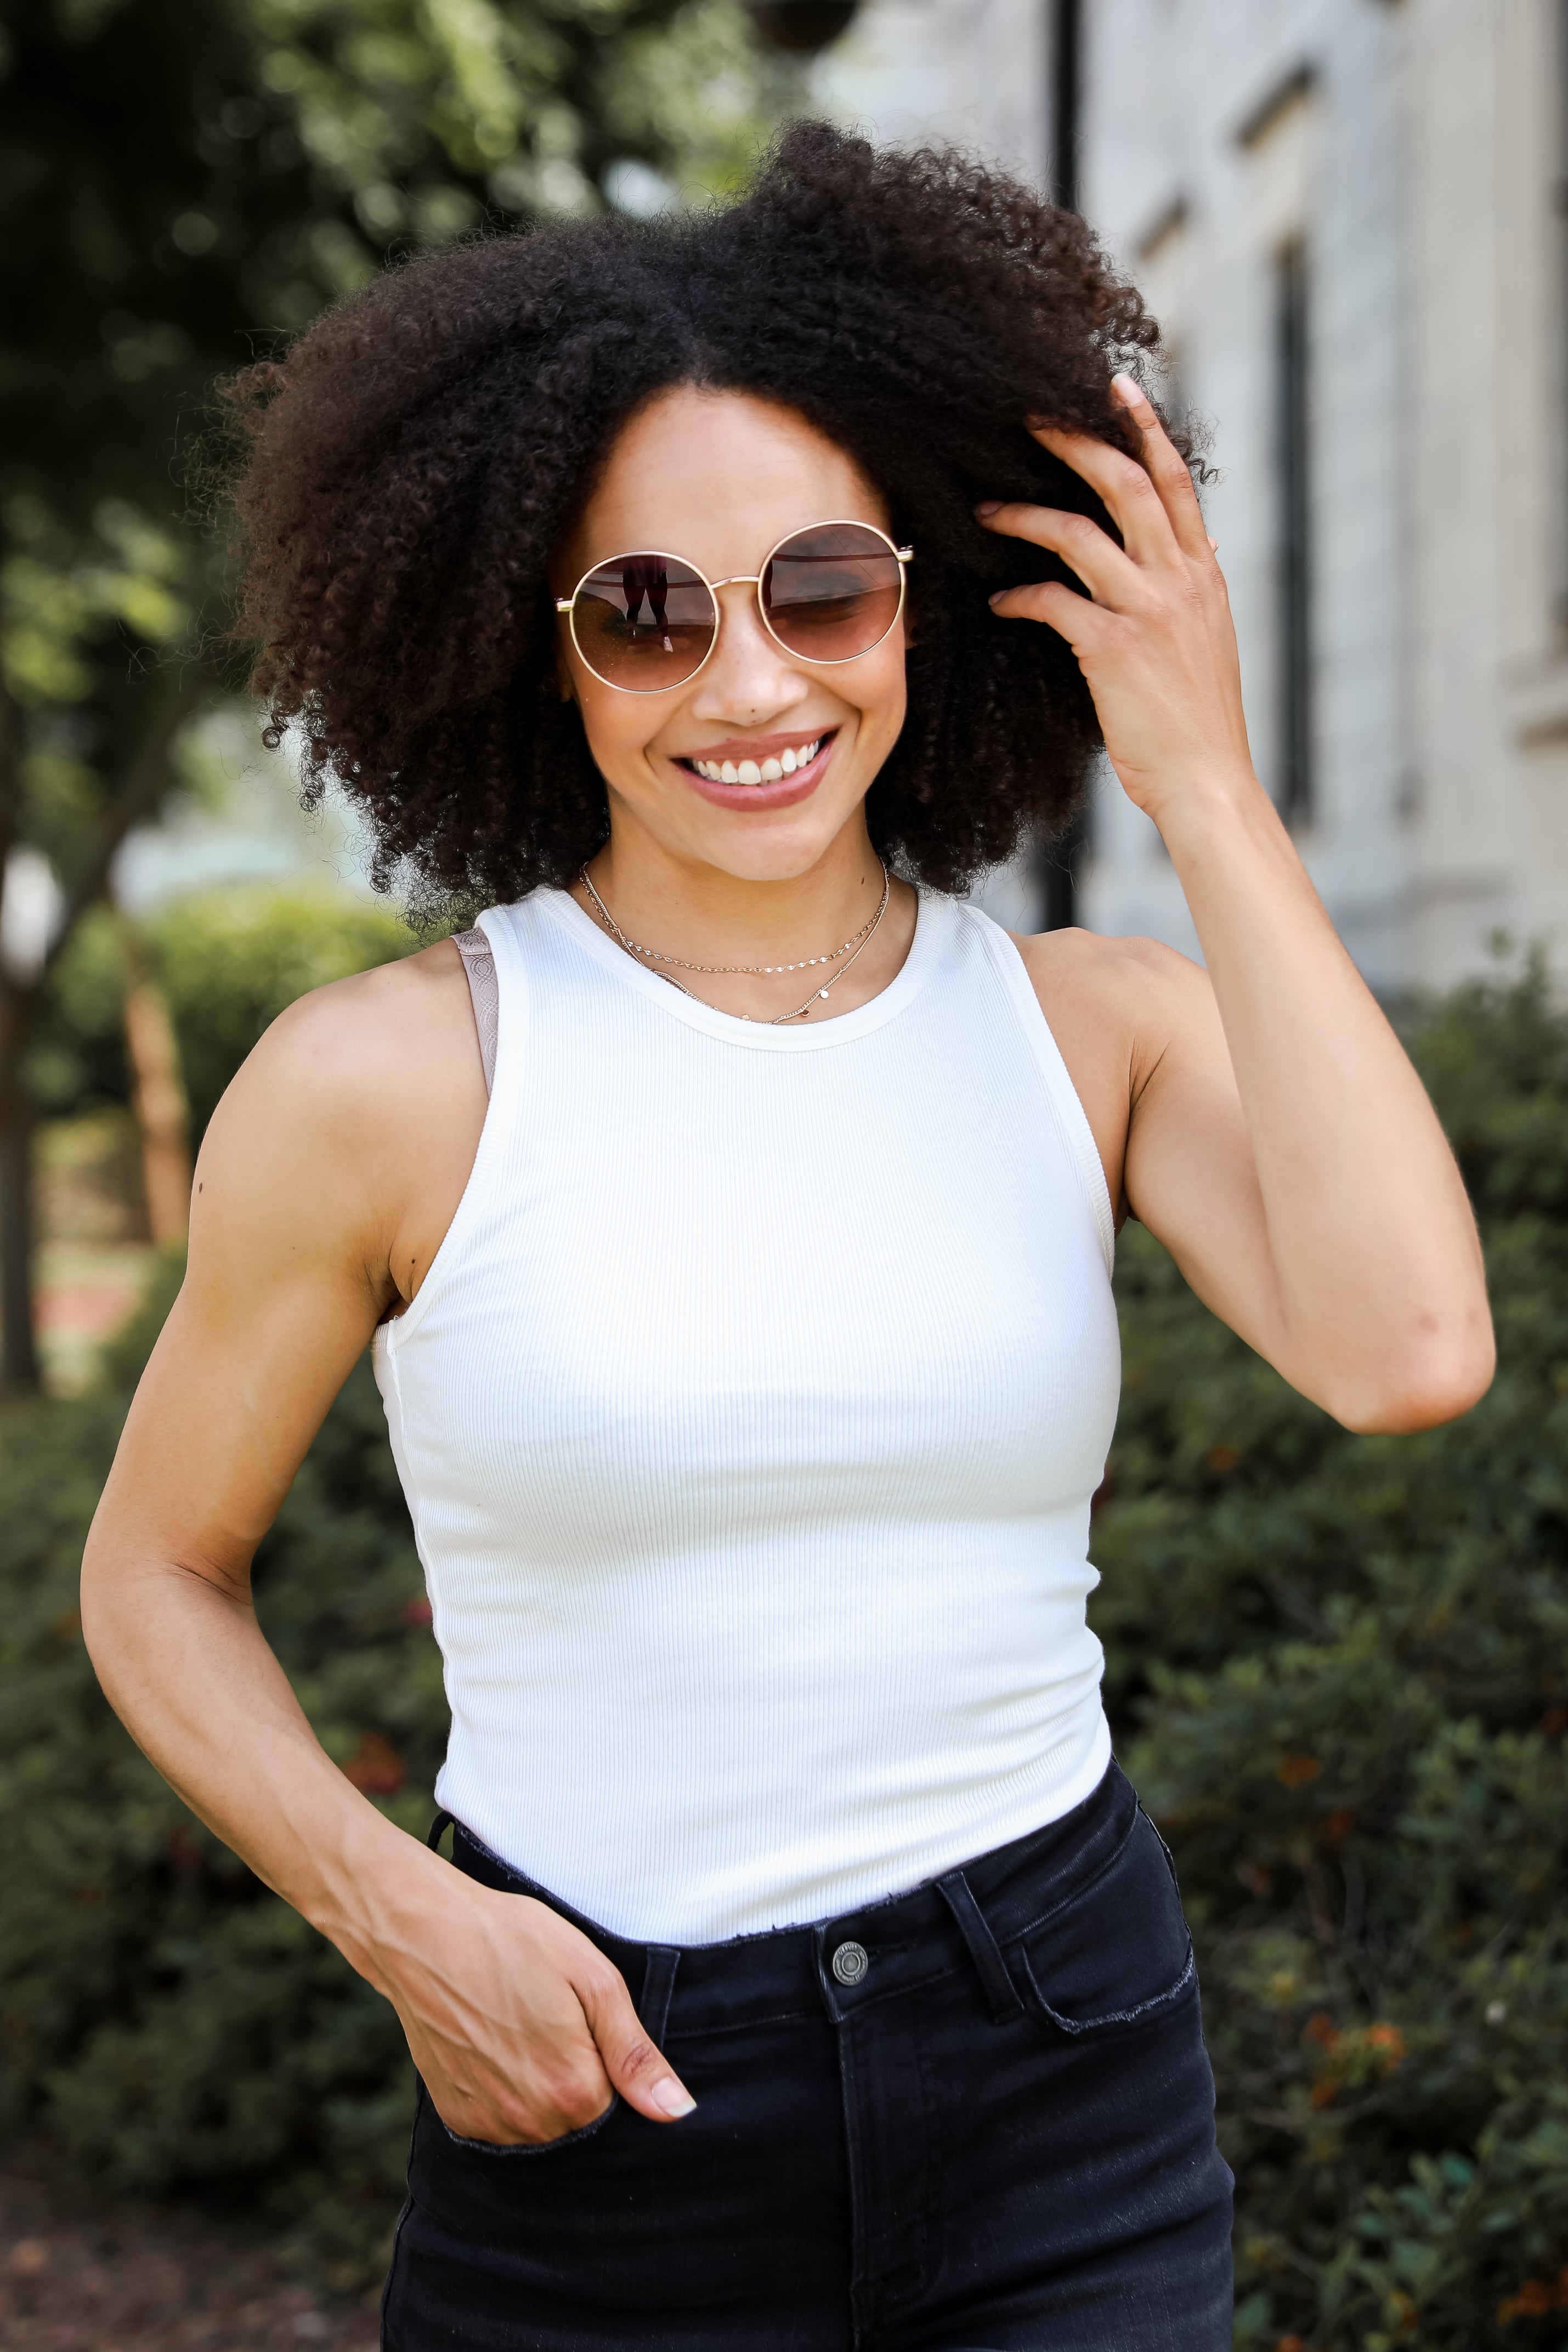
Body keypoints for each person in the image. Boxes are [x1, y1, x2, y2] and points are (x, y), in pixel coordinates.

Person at [81, 125, 1494, 2350]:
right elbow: (154, 1572)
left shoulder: (1093, 1031)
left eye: (821, 590)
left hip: (1061, 2075)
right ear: (539, 654)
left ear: (925, 596)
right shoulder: (392, 1081)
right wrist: (400, 1922)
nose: (750, 688)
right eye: (649, 613)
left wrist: (1207, 784)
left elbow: (1406, 1350)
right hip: (600, 2109)